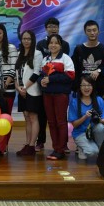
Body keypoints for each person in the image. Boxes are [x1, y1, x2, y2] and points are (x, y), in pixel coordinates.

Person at [35, 17, 70, 150]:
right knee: (43, 116)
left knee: (61, 119)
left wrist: (52, 78)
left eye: (55, 26)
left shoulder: (65, 45)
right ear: (46, 29)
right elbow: (39, 67)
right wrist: (42, 81)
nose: (53, 29)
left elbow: (64, 67)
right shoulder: (40, 44)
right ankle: (41, 141)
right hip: (45, 89)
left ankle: (63, 145)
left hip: (60, 88)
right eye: (50, 26)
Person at [38, 34, 75, 161]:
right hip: (47, 95)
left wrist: (50, 79)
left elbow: (70, 76)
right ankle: (56, 148)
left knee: (61, 122)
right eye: (51, 43)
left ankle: (61, 149)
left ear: (60, 45)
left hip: (61, 95)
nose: (53, 45)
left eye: (56, 43)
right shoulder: (45, 59)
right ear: (47, 45)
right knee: (51, 122)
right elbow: (41, 75)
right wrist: (41, 81)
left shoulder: (66, 58)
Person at [15, 30, 43, 156]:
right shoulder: (19, 53)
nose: (26, 41)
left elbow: (37, 73)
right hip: (21, 90)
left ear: (33, 40)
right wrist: (18, 87)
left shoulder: (37, 53)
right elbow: (16, 73)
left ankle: (32, 145)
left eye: (29, 39)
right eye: (24, 39)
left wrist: (25, 87)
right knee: (26, 117)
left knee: (33, 117)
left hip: (32, 91)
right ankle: (27, 144)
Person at [68, 75, 104, 159]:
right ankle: (83, 148)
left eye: (89, 85)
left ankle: (100, 151)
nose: (86, 88)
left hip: (94, 132)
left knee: (100, 127)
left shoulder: (99, 100)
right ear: (80, 87)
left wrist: (98, 119)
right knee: (92, 152)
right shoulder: (74, 102)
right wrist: (85, 116)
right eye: (83, 85)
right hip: (80, 133)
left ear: (93, 87)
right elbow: (74, 124)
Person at [71, 20, 104, 96]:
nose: (92, 33)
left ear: (98, 31)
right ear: (85, 32)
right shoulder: (78, 49)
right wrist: (75, 88)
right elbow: (75, 69)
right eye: (89, 31)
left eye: (94, 30)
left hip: (99, 89)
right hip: (82, 89)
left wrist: (99, 70)